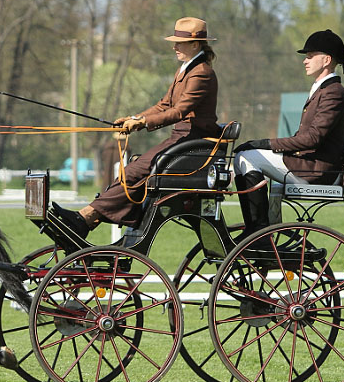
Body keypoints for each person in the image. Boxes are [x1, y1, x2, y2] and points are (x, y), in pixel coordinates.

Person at [55, 16, 221, 237]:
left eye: (179, 43)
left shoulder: (201, 72)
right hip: (181, 139)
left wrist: (142, 123)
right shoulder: (185, 69)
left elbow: (179, 111)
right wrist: (133, 119)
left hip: (193, 143)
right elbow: (164, 105)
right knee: (132, 171)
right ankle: (87, 217)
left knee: (133, 171)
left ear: (195, 44)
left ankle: (85, 218)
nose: (174, 47)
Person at [232, 29, 344, 235]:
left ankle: (259, 232)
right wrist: (269, 146)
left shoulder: (333, 92)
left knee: (247, 158)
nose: (305, 60)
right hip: (307, 164)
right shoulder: (321, 90)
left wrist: (267, 144)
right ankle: (262, 229)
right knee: (246, 156)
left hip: (315, 171)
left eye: (311, 56)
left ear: (326, 60)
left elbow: (313, 138)